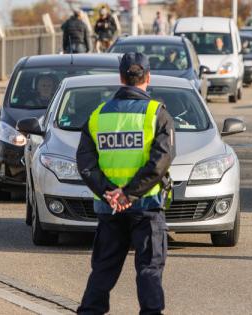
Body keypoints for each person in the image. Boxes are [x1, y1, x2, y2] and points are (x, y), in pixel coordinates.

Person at [76, 52, 176, 314]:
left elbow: (86, 164)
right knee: (149, 269)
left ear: (120, 78)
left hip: (110, 210)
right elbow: (160, 162)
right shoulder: (158, 114)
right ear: (148, 77)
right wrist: (129, 194)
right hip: (147, 207)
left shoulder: (97, 116)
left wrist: (110, 193)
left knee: (103, 269)